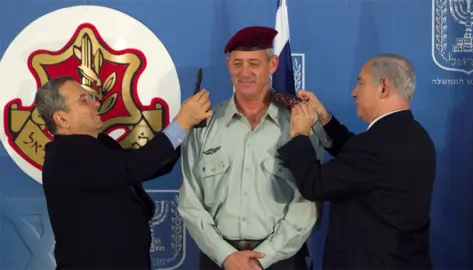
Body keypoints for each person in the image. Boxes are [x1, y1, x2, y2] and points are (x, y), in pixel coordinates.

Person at [178, 26, 329, 270]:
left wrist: (264, 258)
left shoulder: (299, 124)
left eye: (254, 63)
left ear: (273, 65)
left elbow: (308, 201)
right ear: (228, 65)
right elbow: (190, 200)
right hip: (219, 260)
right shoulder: (203, 125)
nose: (244, 72)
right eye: (237, 63)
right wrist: (226, 255)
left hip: (281, 261)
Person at [35, 76, 212, 270]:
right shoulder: (64, 157)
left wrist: (185, 131)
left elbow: (150, 166)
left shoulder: (101, 144)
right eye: (84, 101)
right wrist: (182, 122)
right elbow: (135, 166)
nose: (96, 103)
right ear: (61, 119)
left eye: (91, 97)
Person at [277, 54, 436, 269]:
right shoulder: (416, 136)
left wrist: (299, 135)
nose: (354, 92)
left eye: (360, 83)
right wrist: (324, 118)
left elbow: (314, 184)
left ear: (383, 87)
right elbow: (358, 161)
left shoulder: (374, 146)